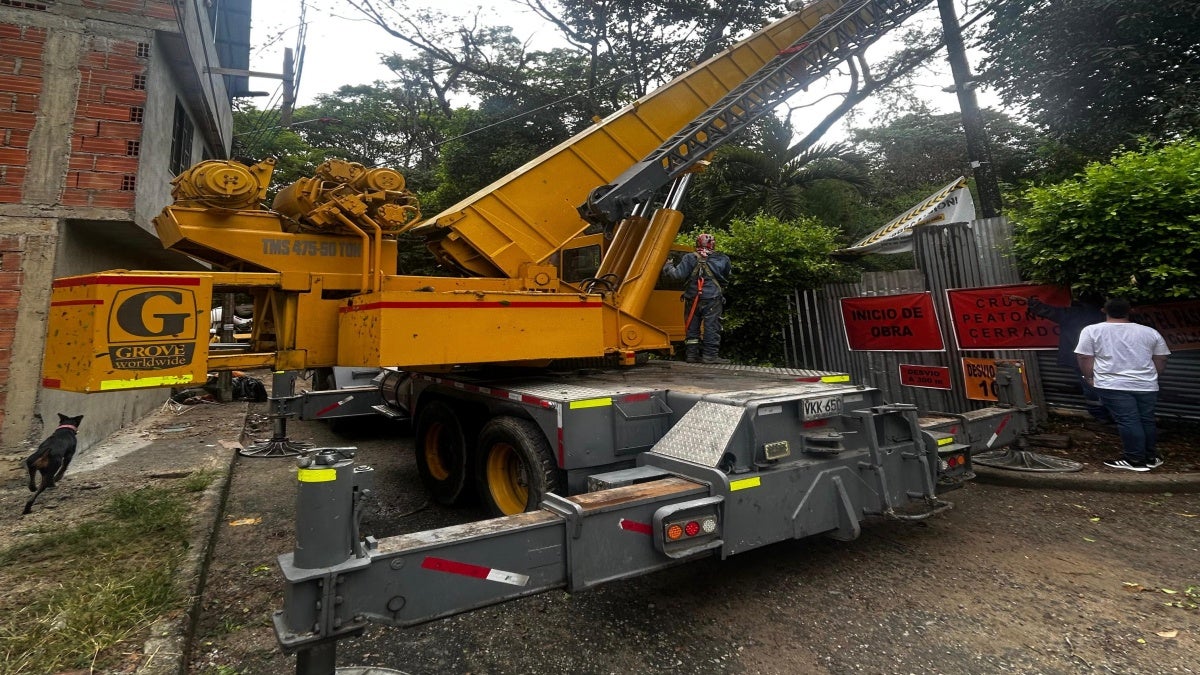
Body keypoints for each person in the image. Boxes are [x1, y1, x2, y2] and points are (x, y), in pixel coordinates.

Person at [1074, 298, 1170, 472]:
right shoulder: (1150, 332)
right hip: (1146, 384)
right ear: (1130, 311)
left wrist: (1088, 377)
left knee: (1128, 420)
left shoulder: (1092, 330)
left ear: (1104, 310)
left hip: (1113, 384)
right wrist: (1153, 375)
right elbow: (1161, 357)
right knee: (1146, 419)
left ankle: (1135, 460)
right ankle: (1150, 457)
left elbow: (1084, 356)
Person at [1023, 293, 1111, 422]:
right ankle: (1112, 413)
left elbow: (1047, 311)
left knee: (1090, 387)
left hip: (1079, 358)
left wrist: (1030, 302)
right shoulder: (1104, 314)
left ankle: (1101, 415)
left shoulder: (1072, 313)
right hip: (1105, 357)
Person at [661, 233, 732, 364]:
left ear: (697, 243)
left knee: (692, 327)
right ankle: (710, 356)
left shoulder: (690, 258)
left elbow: (677, 275)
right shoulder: (722, 259)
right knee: (712, 327)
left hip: (692, 299)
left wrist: (668, 266)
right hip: (712, 298)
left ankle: (692, 355)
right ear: (713, 244)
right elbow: (727, 276)